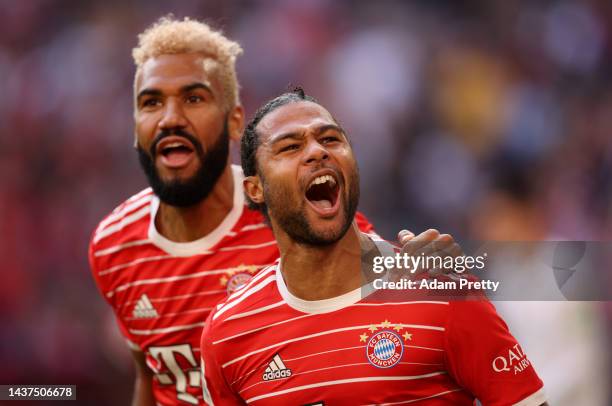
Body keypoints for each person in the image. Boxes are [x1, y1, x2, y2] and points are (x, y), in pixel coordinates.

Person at [88, 17, 419, 406]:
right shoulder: (113, 247)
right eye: (151, 102)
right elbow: (152, 377)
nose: (170, 118)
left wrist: (426, 264)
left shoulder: (290, 210)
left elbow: (393, 291)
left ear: (234, 122)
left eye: (194, 98)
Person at [200, 89, 547, 405]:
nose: (317, 151)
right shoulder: (229, 332)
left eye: (331, 139)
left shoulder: (439, 290)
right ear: (255, 189)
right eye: (290, 147)